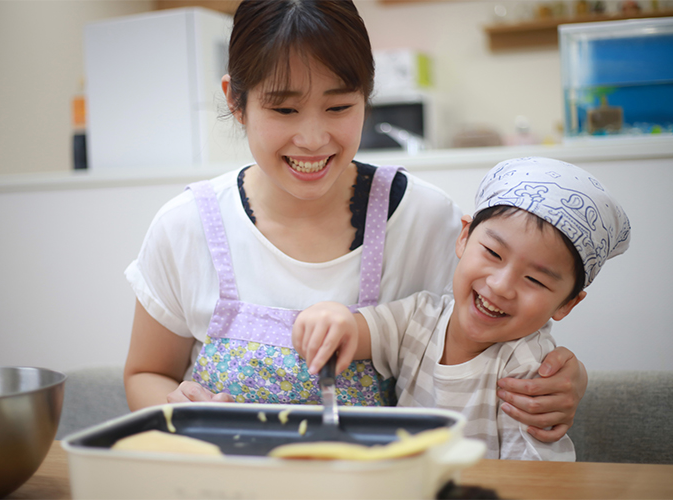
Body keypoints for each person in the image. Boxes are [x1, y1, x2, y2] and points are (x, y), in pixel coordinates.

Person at [123, 0, 586, 442]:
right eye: (284, 109)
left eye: (339, 107)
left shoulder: (425, 220)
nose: (312, 138)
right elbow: (146, 373)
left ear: (366, 97)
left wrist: (563, 378)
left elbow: (502, 340)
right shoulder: (187, 225)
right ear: (237, 101)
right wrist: (177, 412)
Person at [293, 157, 631, 460]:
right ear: (464, 237)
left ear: (568, 303)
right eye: (493, 254)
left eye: (534, 279)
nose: (500, 285)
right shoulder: (420, 317)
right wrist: (332, 316)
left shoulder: (527, 369)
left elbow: (538, 476)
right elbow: (360, 331)